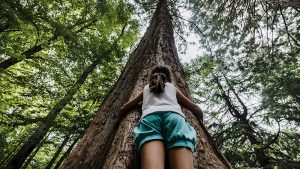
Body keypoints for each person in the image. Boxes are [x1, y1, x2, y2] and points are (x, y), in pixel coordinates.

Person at [119, 65, 203, 169]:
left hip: (149, 119)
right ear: (167, 78)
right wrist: (201, 120)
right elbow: (195, 108)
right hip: (175, 119)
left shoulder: (146, 88)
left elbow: (124, 108)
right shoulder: (172, 87)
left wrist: (118, 117)